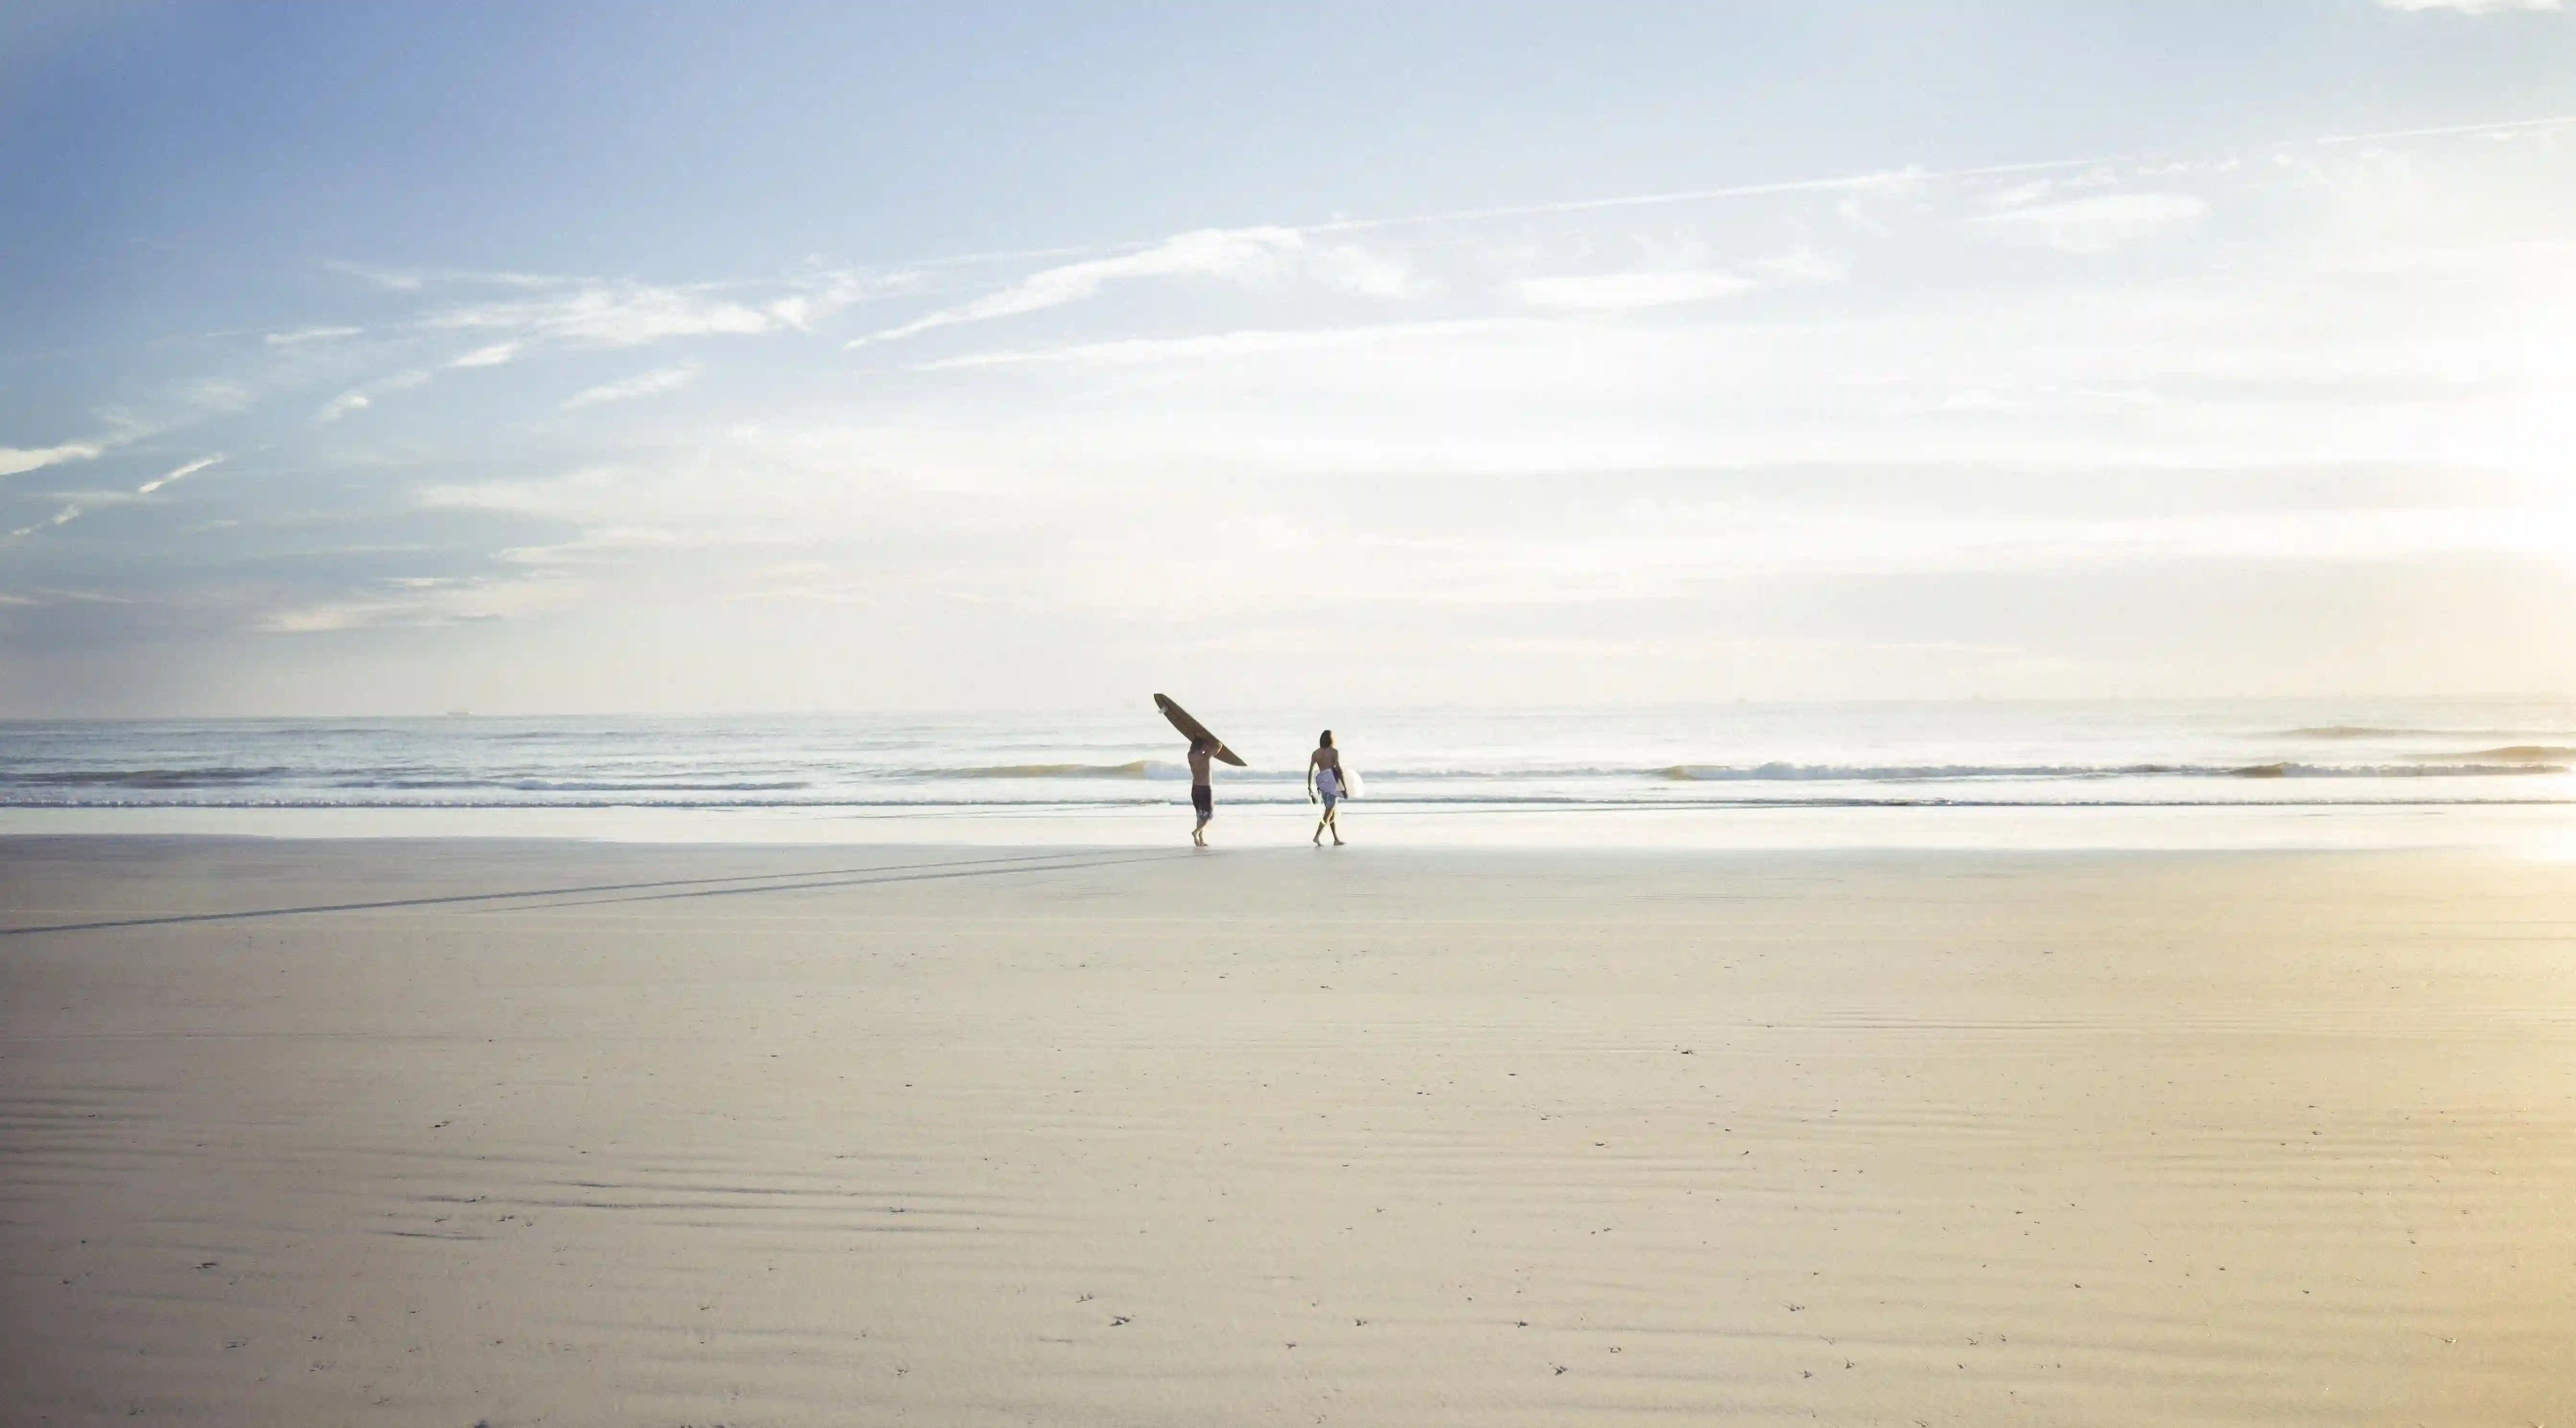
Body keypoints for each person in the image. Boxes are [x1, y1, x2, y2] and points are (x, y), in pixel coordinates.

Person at [1307, 729, 1346, 846]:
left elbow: (1311, 771)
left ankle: (1336, 839)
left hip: (1322, 783)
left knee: (1331, 811)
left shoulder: (1316, 753)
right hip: (1332, 782)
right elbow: (1338, 769)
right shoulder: (1334, 752)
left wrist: (1310, 788)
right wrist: (1344, 786)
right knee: (1329, 812)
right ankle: (1317, 836)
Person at [1187, 737, 1217, 846]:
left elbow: (1197, 750)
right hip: (1205, 789)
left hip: (1195, 788)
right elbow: (1219, 746)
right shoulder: (1206, 757)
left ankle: (1201, 839)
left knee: (1200, 814)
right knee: (1208, 814)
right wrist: (1211, 742)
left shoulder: (1190, 756)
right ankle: (1197, 832)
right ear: (1203, 746)